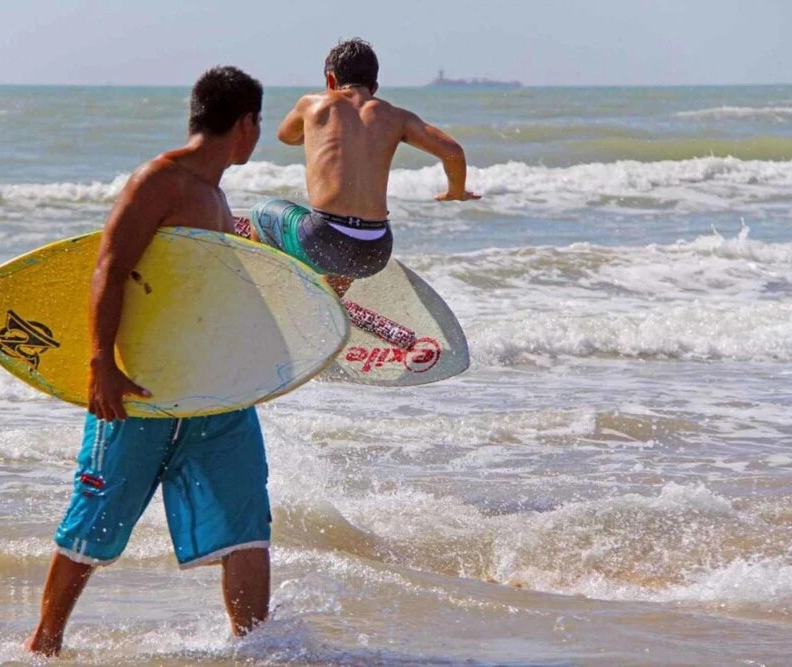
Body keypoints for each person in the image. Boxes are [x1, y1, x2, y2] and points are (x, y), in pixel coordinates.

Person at [24, 66, 269, 656]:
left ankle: (258, 650)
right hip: (140, 384)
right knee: (97, 515)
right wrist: (100, 364)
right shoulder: (159, 180)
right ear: (246, 123)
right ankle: (44, 644)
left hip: (210, 388)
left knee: (246, 520)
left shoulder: (215, 194)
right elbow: (108, 268)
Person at [247, 38, 479, 297]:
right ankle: (329, 303)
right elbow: (453, 152)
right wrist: (455, 192)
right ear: (374, 87)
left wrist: (315, 130)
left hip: (323, 242)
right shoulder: (398, 117)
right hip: (374, 251)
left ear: (331, 80)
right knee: (349, 241)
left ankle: (262, 297)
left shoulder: (313, 104)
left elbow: (286, 136)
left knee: (259, 213)